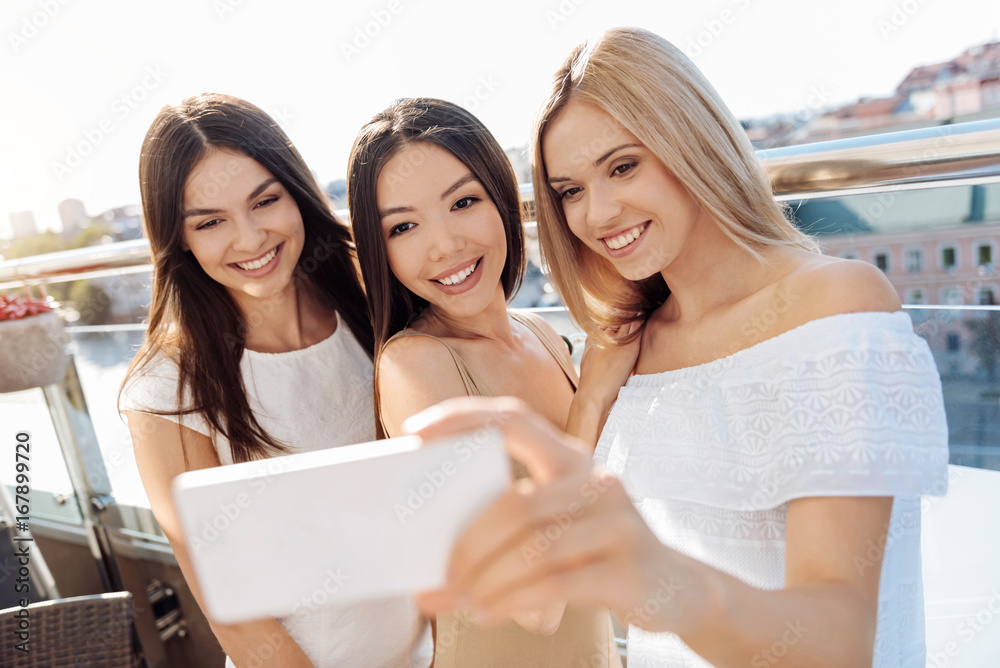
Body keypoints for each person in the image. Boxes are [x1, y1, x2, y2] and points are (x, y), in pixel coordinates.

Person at [412, 28, 950, 668]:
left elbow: (841, 642)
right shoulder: (632, 345)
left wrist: (662, 582)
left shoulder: (838, 303)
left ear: (691, 140)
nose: (598, 214)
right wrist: (595, 397)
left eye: (623, 166)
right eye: (571, 191)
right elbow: (554, 597)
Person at [118, 93, 432, 668]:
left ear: (296, 193)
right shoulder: (167, 391)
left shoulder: (370, 299)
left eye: (265, 201)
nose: (250, 238)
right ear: (179, 238)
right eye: (210, 222)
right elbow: (234, 613)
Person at [347, 97, 627, 667]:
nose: (445, 245)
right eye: (403, 226)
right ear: (382, 251)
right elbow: (536, 606)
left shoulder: (541, 333)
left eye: (463, 202)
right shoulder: (414, 367)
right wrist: (594, 396)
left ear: (502, 197)